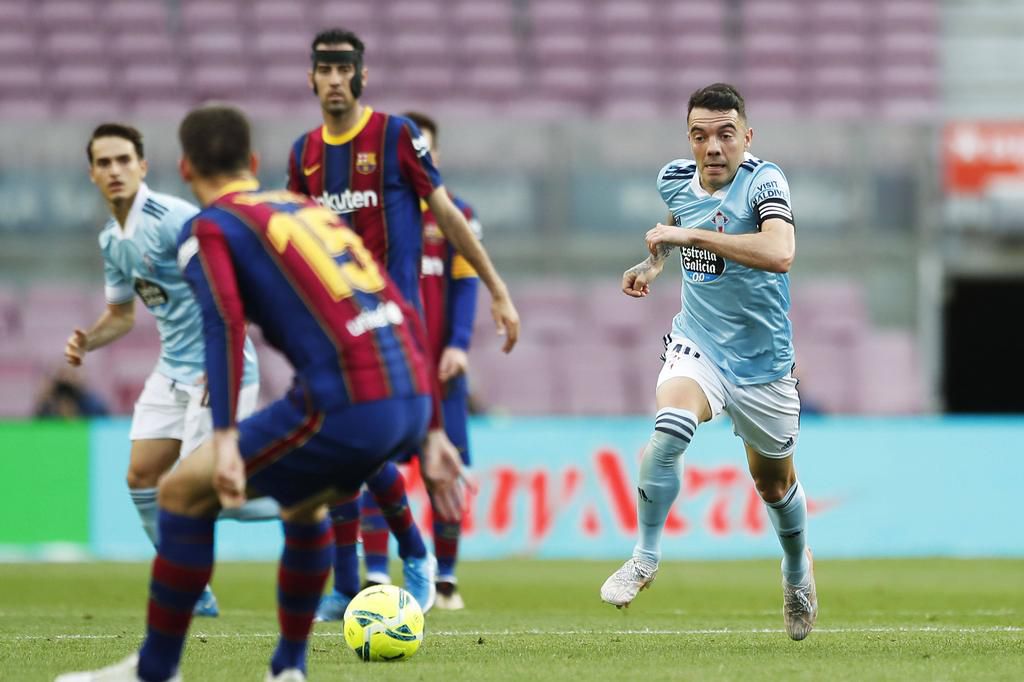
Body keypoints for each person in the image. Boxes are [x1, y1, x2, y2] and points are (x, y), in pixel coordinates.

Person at [55, 103, 467, 682]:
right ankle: (287, 670)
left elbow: (223, 325)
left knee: (177, 494)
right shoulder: (304, 208)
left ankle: (155, 671)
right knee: (303, 503)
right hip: (406, 392)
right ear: (252, 162)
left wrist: (223, 436)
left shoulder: (211, 226)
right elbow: (394, 303)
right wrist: (430, 429)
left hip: (348, 397)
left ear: (184, 167)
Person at [287, 27, 520, 621]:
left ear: (361, 75)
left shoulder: (396, 136)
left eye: (345, 69)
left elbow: (444, 209)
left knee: (369, 448)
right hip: (335, 329)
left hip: (394, 325)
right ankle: (354, 583)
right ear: (311, 78)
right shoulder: (303, 155)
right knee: (343, 458)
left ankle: (422, 561)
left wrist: (496, 288)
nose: (335, 79)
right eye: (325, 69)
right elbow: (291, 239)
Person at [599, 84, 817, 641]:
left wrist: (686, 235)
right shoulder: (674, 177)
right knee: (669, 429)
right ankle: (645, 556)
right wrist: (653, 264)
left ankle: (795, 570)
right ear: (689, 138)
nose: (713, 147)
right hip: (698, 344)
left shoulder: (765, 182)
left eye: (726, 134)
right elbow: (679, 217)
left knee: (773, 484)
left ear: (747, 136)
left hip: (764, 363)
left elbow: (780, 253)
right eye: (701, 135)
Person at [68, 123, 277, 618]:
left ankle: (315, 502)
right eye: (104, 163)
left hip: (217, 368)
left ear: (143, 165)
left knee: (210, 493)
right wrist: (87, 340)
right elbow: (122, 315)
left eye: (124, 160)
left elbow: (227, 291)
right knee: (141, 476)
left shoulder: (173, 219)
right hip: (173, 371)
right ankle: (193, 588)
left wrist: (218, 362)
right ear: (92, 173)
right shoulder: (111, 240)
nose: (115, 170)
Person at [358, 111, 481, 610]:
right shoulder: (376, 218)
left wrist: (458, 343)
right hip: (387, 365)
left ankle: (446, 578)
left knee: (447, 471)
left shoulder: (457, 213)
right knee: (374, 465)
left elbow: (466, 284)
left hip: (439, 369)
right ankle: (372, 574)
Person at [34, 367, 110, 418]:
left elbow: (105, 426)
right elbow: (36, 430)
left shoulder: (92, 406)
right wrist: (43, 401)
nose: (66, 387)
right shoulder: (47, 407)